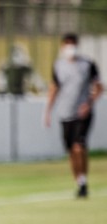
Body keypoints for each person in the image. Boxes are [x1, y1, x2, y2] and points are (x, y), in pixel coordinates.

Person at [44, 33, 103, 198]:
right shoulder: (58, 65)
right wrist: (48, 111)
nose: (70, 47)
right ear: (62, 46)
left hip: (82, 113)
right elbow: (54, 88)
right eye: (67, 44)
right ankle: (79, 182)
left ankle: (83, 181)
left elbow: (99, 87)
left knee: (79, 147)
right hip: (65, 113)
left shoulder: (87, 64)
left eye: (73, 44)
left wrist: (89, 103)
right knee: (71, 150)